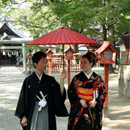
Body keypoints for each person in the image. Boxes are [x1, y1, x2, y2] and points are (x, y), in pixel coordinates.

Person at [15, 51, 68, 130]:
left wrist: (62, 79)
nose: (45, 65)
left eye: (46, 62)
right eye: (43, 62)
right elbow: (23, 99)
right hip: (33, 112)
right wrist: (23, 116)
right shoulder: (28, 81)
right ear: (35, 64)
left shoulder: (50, 80)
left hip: (47, 112)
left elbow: (58, 95)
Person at [68, 51, 107, 130]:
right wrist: (79, 100)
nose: (82, 65)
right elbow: (70, 92)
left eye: (85, 62)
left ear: (91, 64)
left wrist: (96, 102)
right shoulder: (76, 78)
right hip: (79, 109)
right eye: (81, 62)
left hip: (93, 109)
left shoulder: (98, 79)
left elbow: (103, 93)